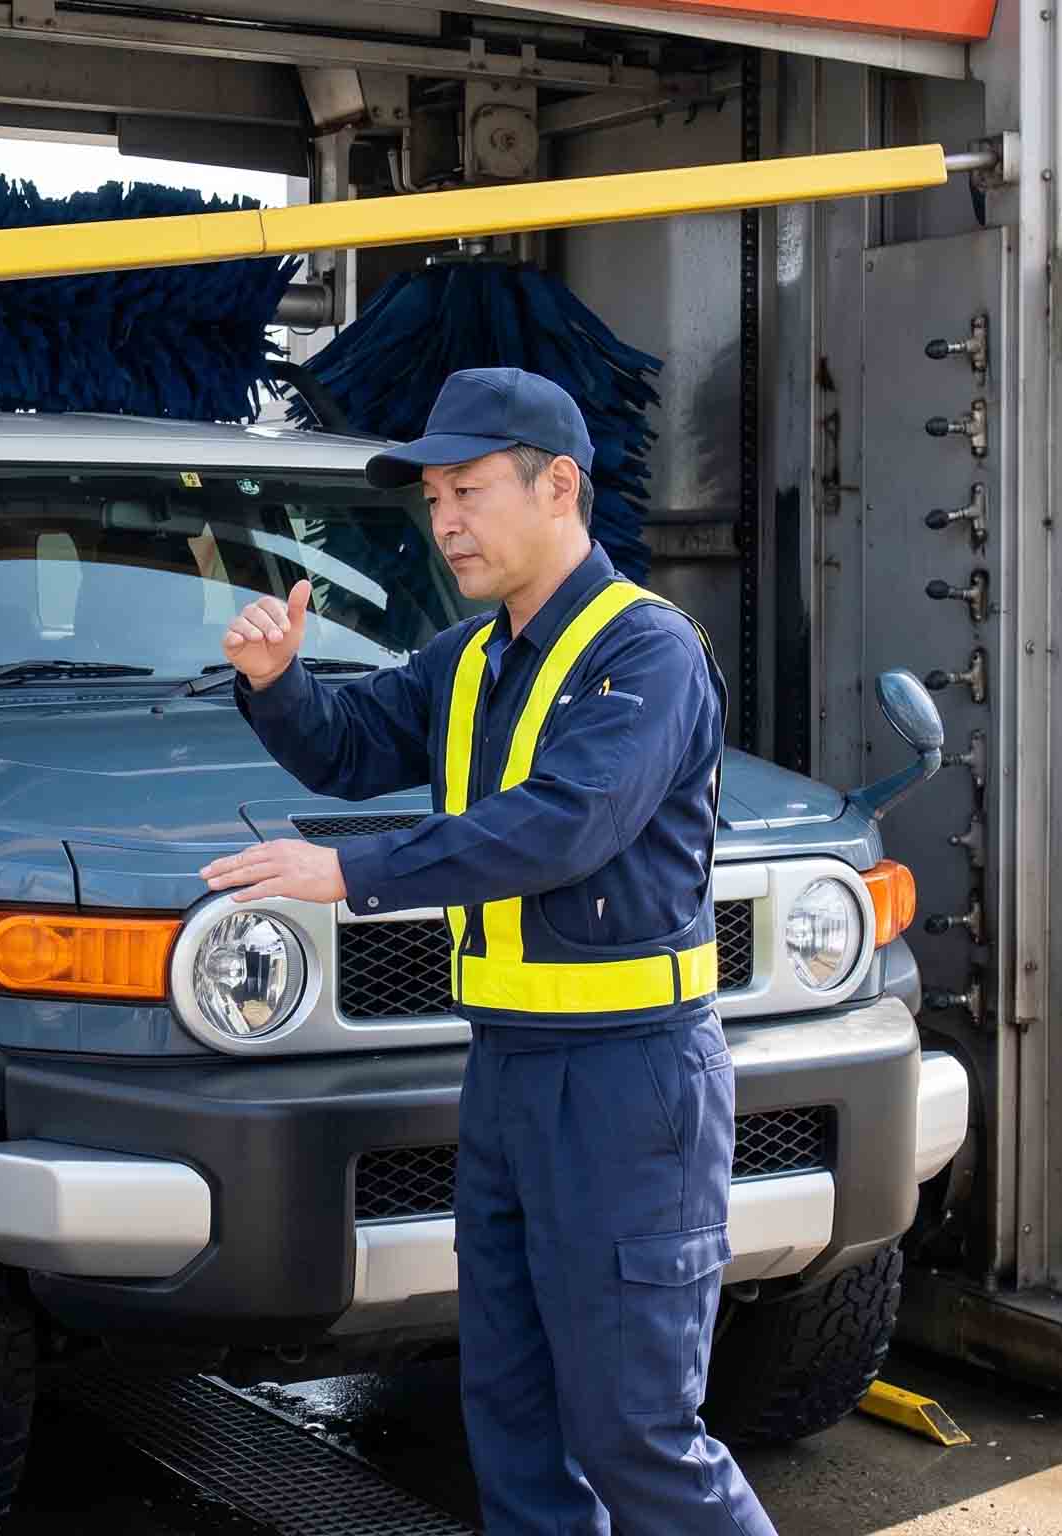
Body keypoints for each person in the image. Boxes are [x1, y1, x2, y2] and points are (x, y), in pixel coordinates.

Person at [201, 368, 775, 1536]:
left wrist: (351, 873)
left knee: (636, 1437)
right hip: (508, 1076)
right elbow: (354, 746)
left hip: (629, 1085)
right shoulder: (471, 657)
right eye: (431, 500)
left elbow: (563, 823)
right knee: (511, 1422)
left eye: (465, 489)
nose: (443, 521)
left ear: (557, 485)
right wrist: (278, 686)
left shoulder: (646, 655)